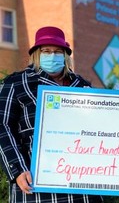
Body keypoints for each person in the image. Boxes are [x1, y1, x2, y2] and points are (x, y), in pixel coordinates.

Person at [0, 26, 103, 202]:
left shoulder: (82, 86)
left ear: (65, 55)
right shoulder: (16, 83)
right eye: (46, 51)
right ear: (36, 54)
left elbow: (100, 129)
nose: (52, 55)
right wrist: (17, 169)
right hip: (36, 186)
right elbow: (2, 126)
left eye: (57, 51)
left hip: (82, 187)